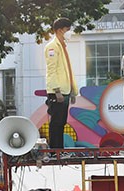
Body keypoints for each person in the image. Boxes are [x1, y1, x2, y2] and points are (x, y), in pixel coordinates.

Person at [44, 18, 78, 149]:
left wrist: (73, 91)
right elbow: (51, 70)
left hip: (65, 91)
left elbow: (68, 71)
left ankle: (60, 150)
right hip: (57, 92)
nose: (70, 32)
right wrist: (57, 90)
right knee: (56, 122)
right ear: (59, 30)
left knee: (62, 122)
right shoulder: (52, 47)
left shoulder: (62, 46)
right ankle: (55, 151)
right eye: (67, 29)